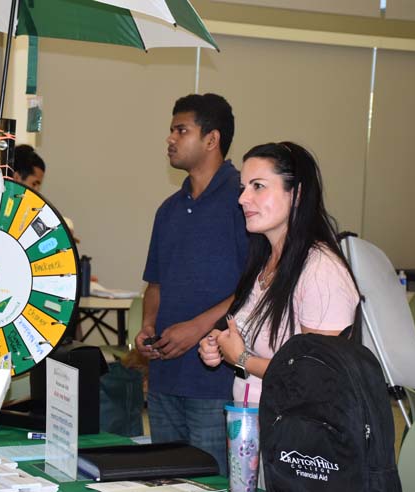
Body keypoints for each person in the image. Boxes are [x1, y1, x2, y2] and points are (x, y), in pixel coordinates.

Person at [135, 93, 248, 474]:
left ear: (211, 139)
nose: (170, 138)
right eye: (171, 130)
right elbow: (156, 283)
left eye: (181, 130)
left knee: (211, 478)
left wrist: (197, 329)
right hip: (166, 376)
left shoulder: (242, 201)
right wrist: (148, 326)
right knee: (167, 478)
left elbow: (254, 289)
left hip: (216, 379)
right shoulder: (168, 209)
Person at [198, 141, 360, 404]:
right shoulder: (265, 262)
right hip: (256, 427)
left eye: (258, 186)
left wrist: (242, 359)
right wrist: (222, 345)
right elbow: (256, 367)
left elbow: (316, 374)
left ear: (296, 195)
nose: (242, 198)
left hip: (298, 438)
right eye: (243, 188)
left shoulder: (321, 271)